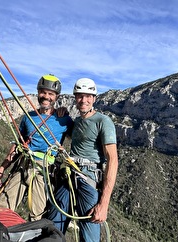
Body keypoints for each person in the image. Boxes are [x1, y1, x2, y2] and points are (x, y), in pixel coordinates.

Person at [0, 74, 73, 221]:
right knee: (3, 206)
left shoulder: (64, 120)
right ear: (38, 93)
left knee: (37, 214)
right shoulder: (28, 117)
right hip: (23, 164)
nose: (46, 96)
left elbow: (78, 139)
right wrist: (1, 169)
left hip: (45, 169)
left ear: (57, 97)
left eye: (50, 94)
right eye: (43, 92)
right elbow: (17, 146)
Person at [46, 78, 118, 241]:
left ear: (94, 98)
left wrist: (104, 203)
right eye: (80, 96)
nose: (83, 100)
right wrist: (61, 112)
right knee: (53, 225)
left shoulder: (103, 121)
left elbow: (113, 160)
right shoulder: (77, 122)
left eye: (88, 96)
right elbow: (67, 131)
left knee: (89, 233)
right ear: (75, 98)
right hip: (69, 175)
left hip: (88, 179)